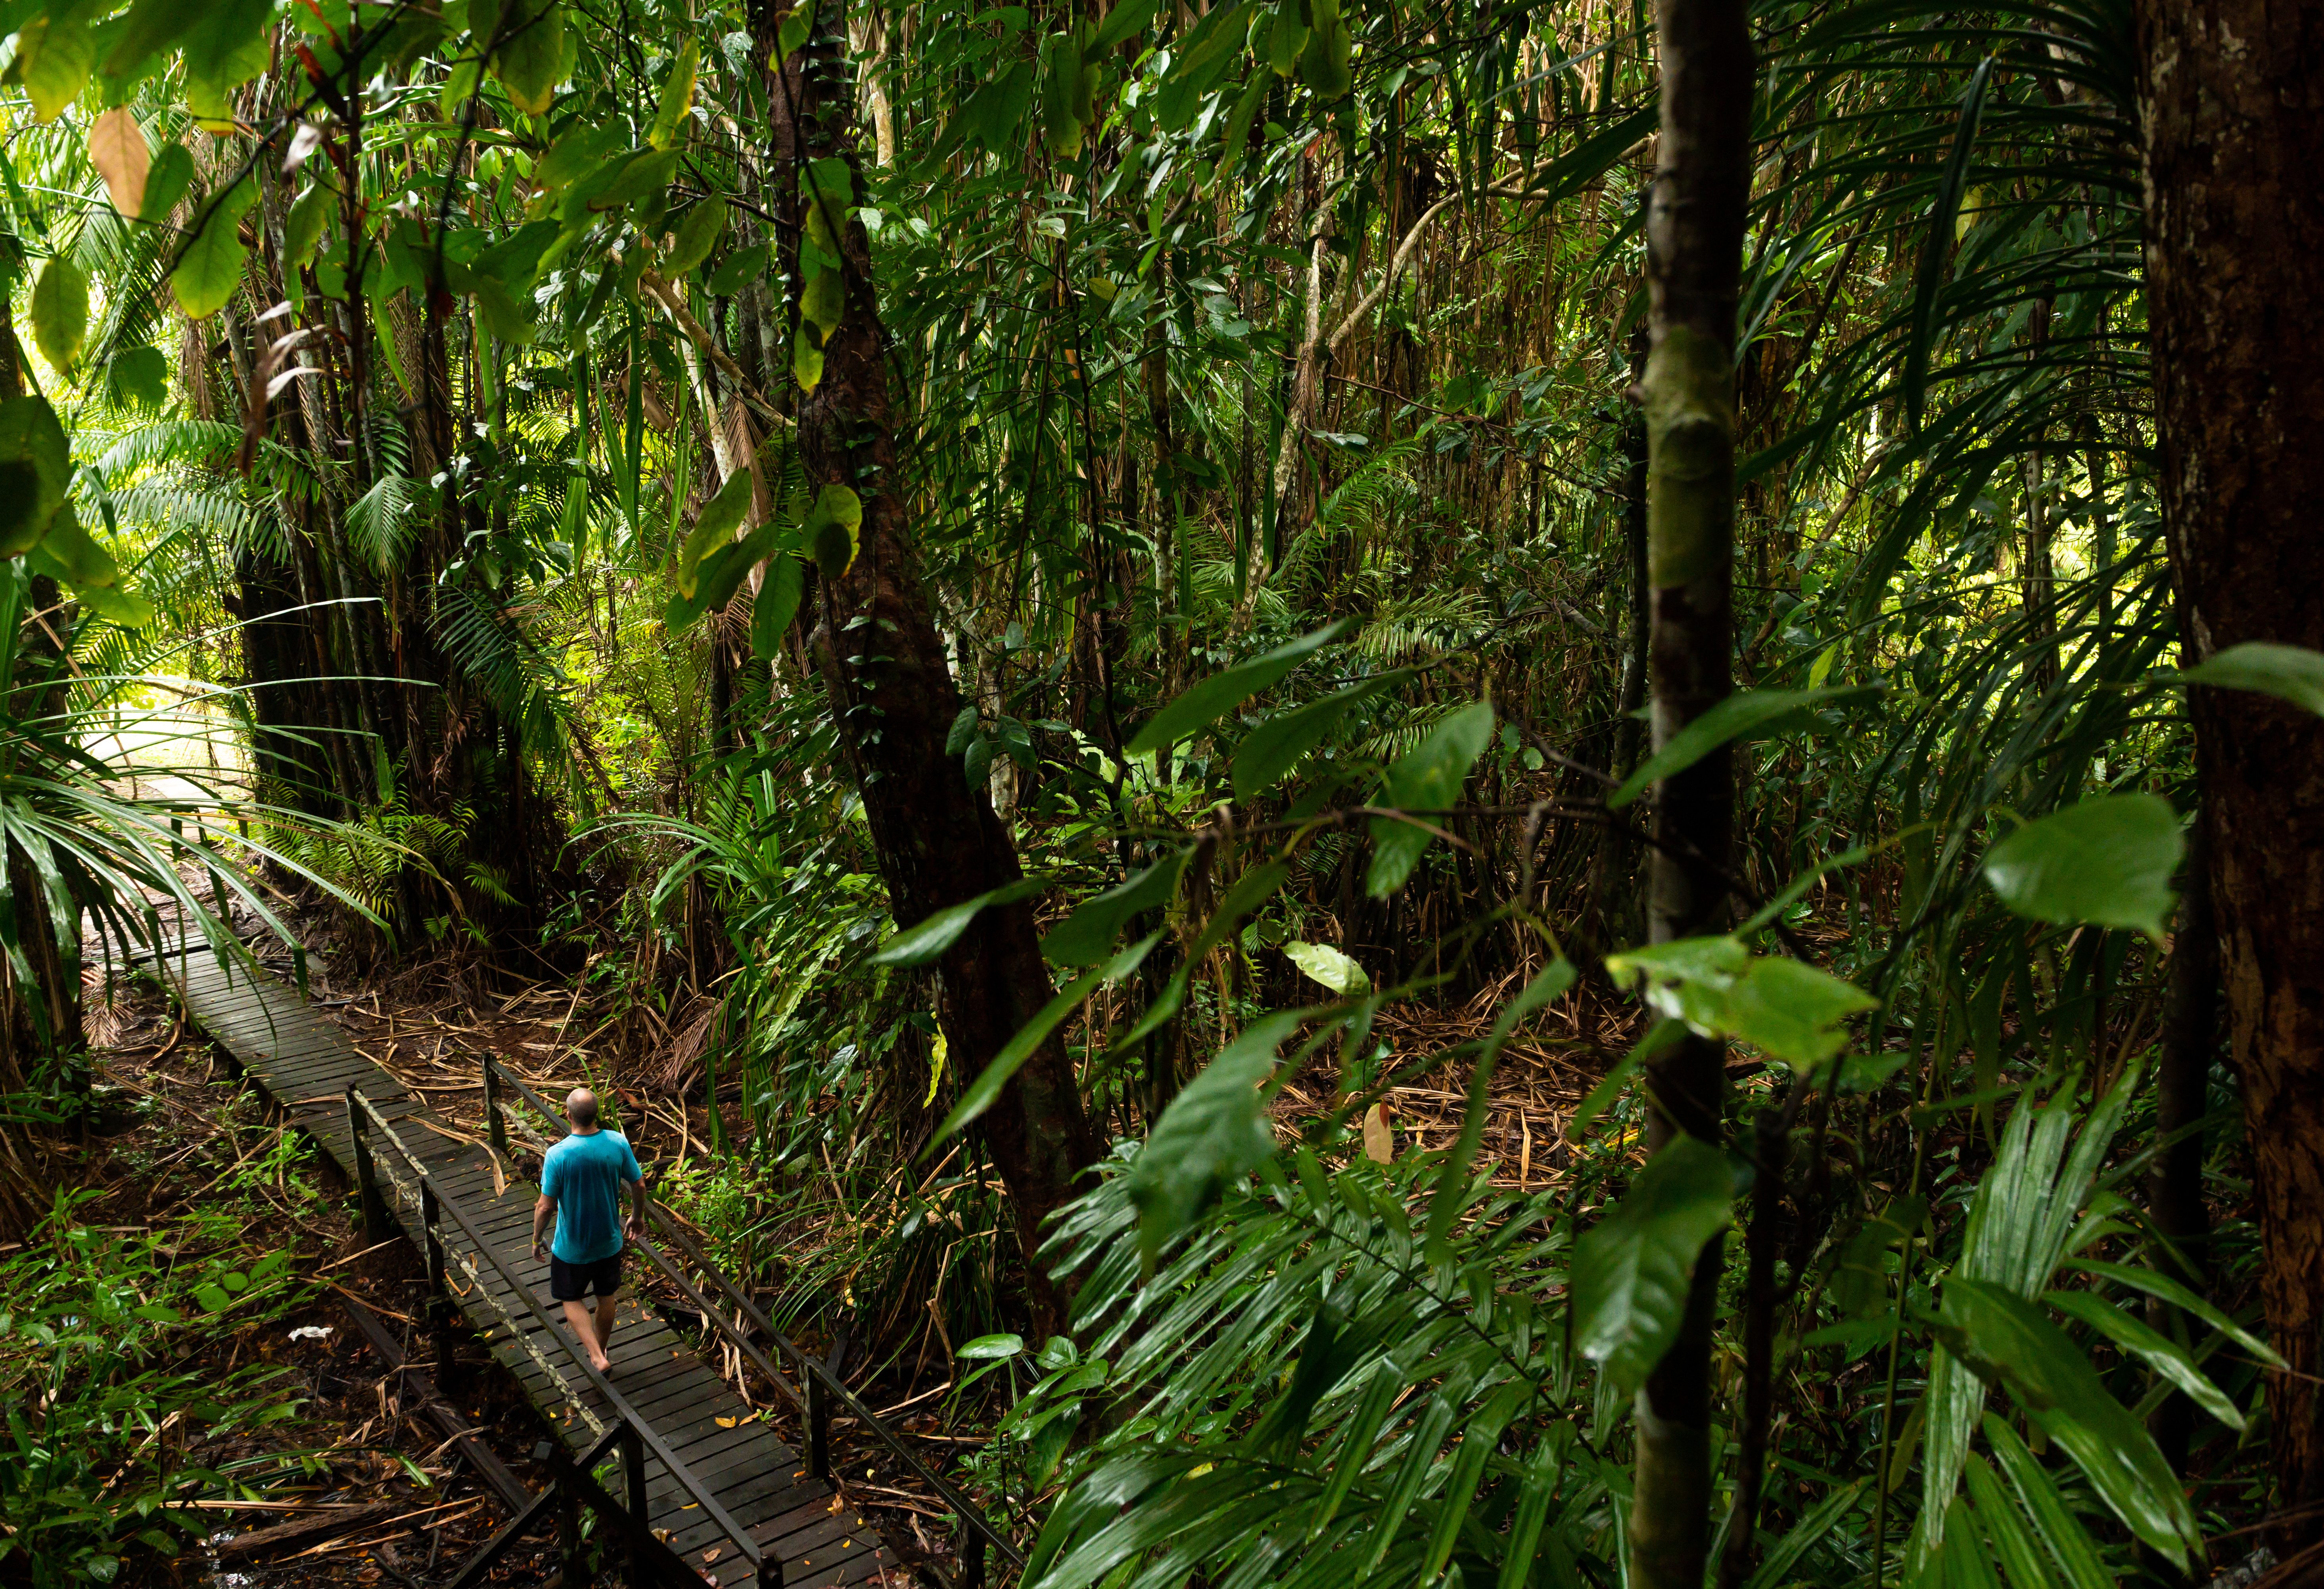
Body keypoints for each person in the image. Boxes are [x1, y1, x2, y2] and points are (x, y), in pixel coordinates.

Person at [531, 1087, 646, 1375]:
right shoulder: (617, 1142)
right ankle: (603, 1348)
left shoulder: (558, 1154)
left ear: (568, 1115)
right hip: (609, 1241)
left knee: (571, 1297)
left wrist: (536, 1239)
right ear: (597, 1114)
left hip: (572, 1246)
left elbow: (545, 1207)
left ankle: (596, 1356)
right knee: (606, 1295)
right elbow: (639, 1183)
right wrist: (636, 1216)